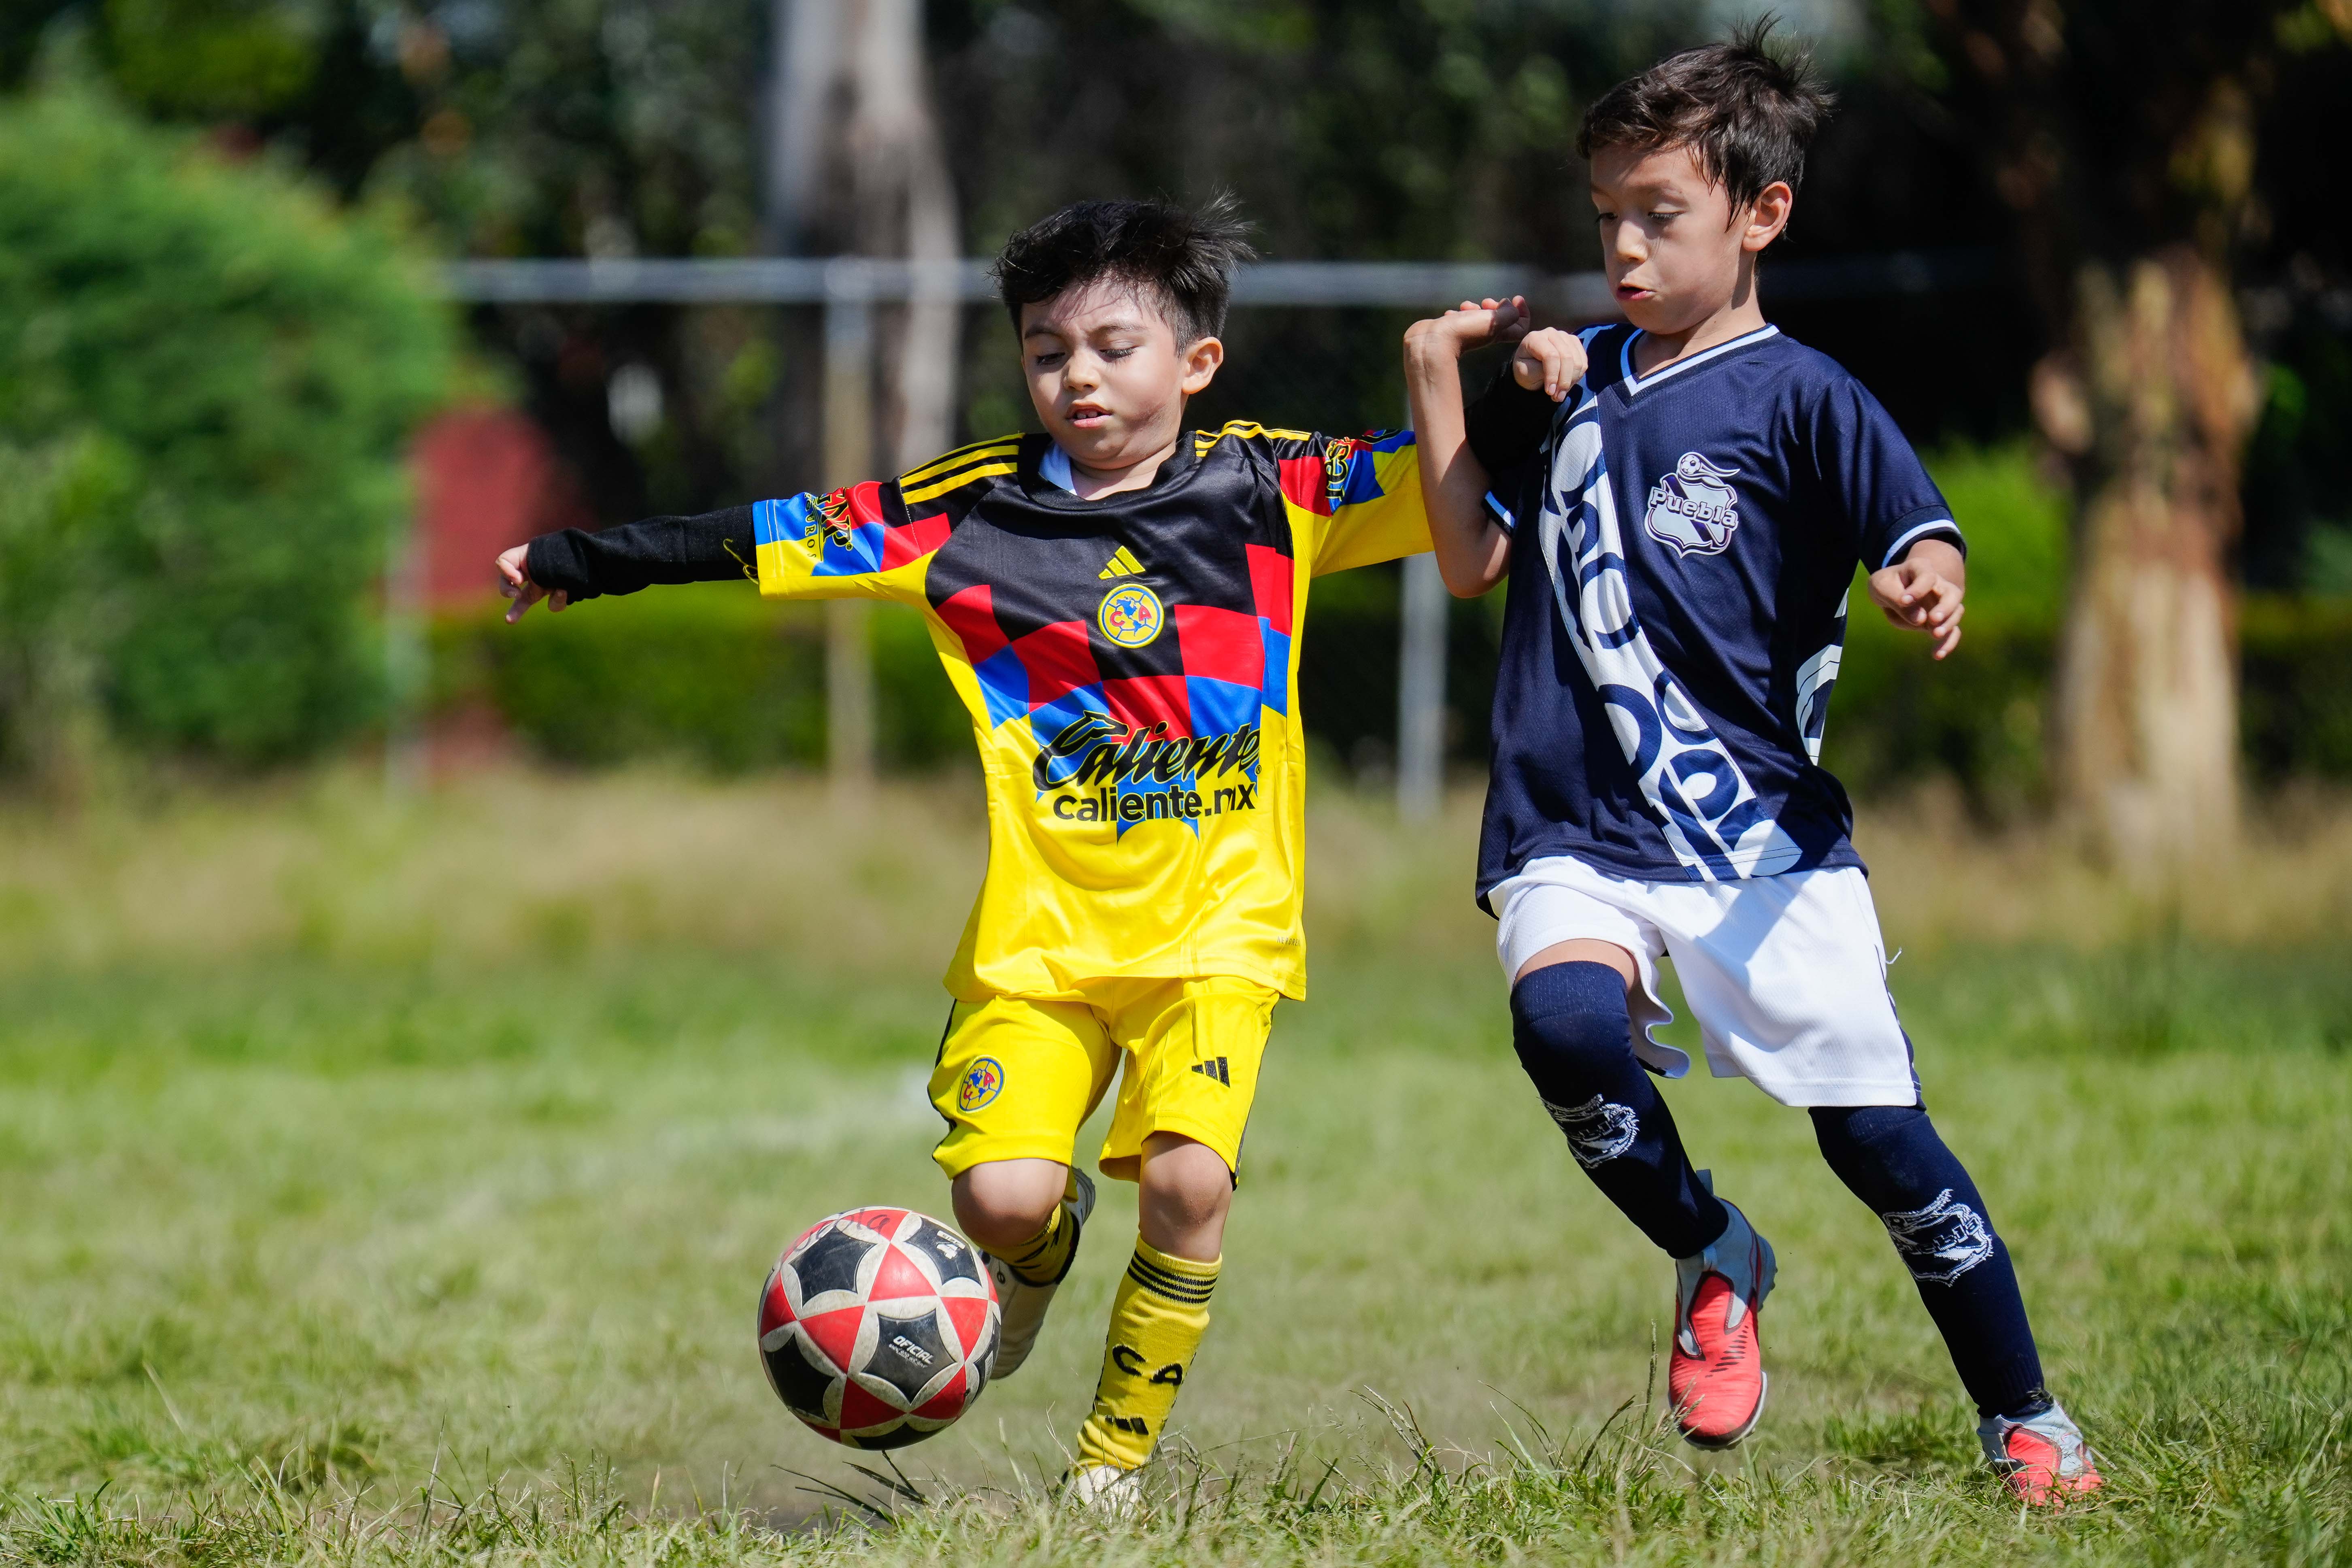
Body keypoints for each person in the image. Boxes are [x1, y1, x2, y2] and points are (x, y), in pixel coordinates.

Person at [496, 196, 1433, 1506]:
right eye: (1048, 351)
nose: (1078, 376)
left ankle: (1108, 1470)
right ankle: (1036, 1259)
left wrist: (1530, 384)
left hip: (1219, 933)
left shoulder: (1275, 489)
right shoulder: (966, 514)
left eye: (1113, 346)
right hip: (1040, 943)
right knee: (997, 1202)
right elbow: (765, 533)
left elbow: (1450, 474)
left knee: (1188, 1179)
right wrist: (586, 560)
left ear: (1196, 364)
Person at [1407, 23, 2102, 1506]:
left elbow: (1911, 526)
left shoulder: (1805, 396)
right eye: (1606, 215)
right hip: (1573, 829)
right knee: (1566, 1033)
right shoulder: (1568, 381)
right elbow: (1468, 559)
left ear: (1761, 213)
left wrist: (1927, 576)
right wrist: (1436, 384)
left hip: (1758, 852)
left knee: (1882, 1148)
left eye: (1659, 214)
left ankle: (2026, 1415)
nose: (1624, 247)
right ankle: (1710, 1249)